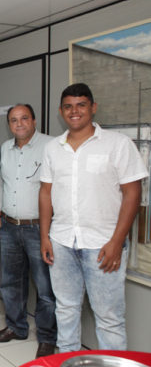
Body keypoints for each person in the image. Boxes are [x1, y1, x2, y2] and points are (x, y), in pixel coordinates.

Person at [39, 83, 148, 352]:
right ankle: (69, 360)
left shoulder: (118, 144)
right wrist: (44, 236)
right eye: (68, 106)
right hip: (61, 241)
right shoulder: (53, 148)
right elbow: (45, 193)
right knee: (65, 310)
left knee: (109, 319)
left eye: (81, 105)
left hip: (103, 245)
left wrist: (117, 241)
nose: (74, 111)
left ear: (93, 107)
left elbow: (133, 195)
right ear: (61, 111)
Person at [0, 104, 56, 358]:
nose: (19, 124)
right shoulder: (5, 148)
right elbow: (0, 185)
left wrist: (49, 231)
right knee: (10, 283)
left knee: (45, 287)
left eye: (24, 118)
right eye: (14, 120)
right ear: (9, 124)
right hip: (8, 226)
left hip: (38, 228)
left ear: (34, 120)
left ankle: (47, 337)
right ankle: (16, 327)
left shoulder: (51, 146)